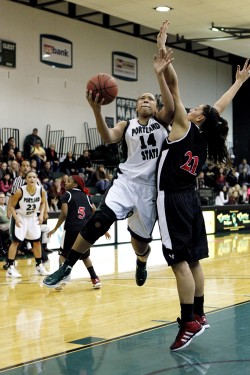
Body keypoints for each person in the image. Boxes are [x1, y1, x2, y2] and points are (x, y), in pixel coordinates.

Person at [42, 47, 175, 289]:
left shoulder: (162, 121)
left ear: (156, 107)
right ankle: (67, 265)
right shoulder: (127, 124)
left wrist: (159, 74)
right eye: (141, 98)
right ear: (136, 107)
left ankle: (141, 260)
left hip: (149, 189)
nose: (145, 100)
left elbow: (172, 106)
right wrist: (96, 110)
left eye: (150, 99)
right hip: (125, 181)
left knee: (141, 243)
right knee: (101, 219)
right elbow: (107, 136)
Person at [155, 20, 250, 351]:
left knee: (179, 262)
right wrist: (238, 83)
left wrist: (161, 63)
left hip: (172, 200)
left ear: (196, 117)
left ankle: (189, 321)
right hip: (192, 200)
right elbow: (219, 108)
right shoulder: (206, 133)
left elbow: (174, 89)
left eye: (197, 109)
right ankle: (200, 313)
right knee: (193, 261)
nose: (194, 107)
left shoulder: (183, 125)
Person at [48, 175, 110, 289]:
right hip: (85, 231)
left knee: (63, 255)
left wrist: (55, 228)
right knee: (85, 257)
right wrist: (104, 229)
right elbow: (95, 212)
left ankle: (62, 278)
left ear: (75, 185)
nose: (65, 183)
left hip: (71, 229)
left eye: (68, 181)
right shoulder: (87, 196)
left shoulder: (67, 195)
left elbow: (64, 214)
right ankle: (95, 279)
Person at [6, 170, 50, 278]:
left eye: (34, 177)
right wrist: (15, 218)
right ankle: (10, 268)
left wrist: (41, 214)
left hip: (32, 217)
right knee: (16, 242)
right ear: (26, 179)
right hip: (20, 216)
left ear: (36, 179)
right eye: (29, 177)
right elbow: (11, 205)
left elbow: (43, 202)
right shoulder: (20, 191)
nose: (32, 179)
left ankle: (39, 265)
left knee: (37, 242)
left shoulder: (41, 191)